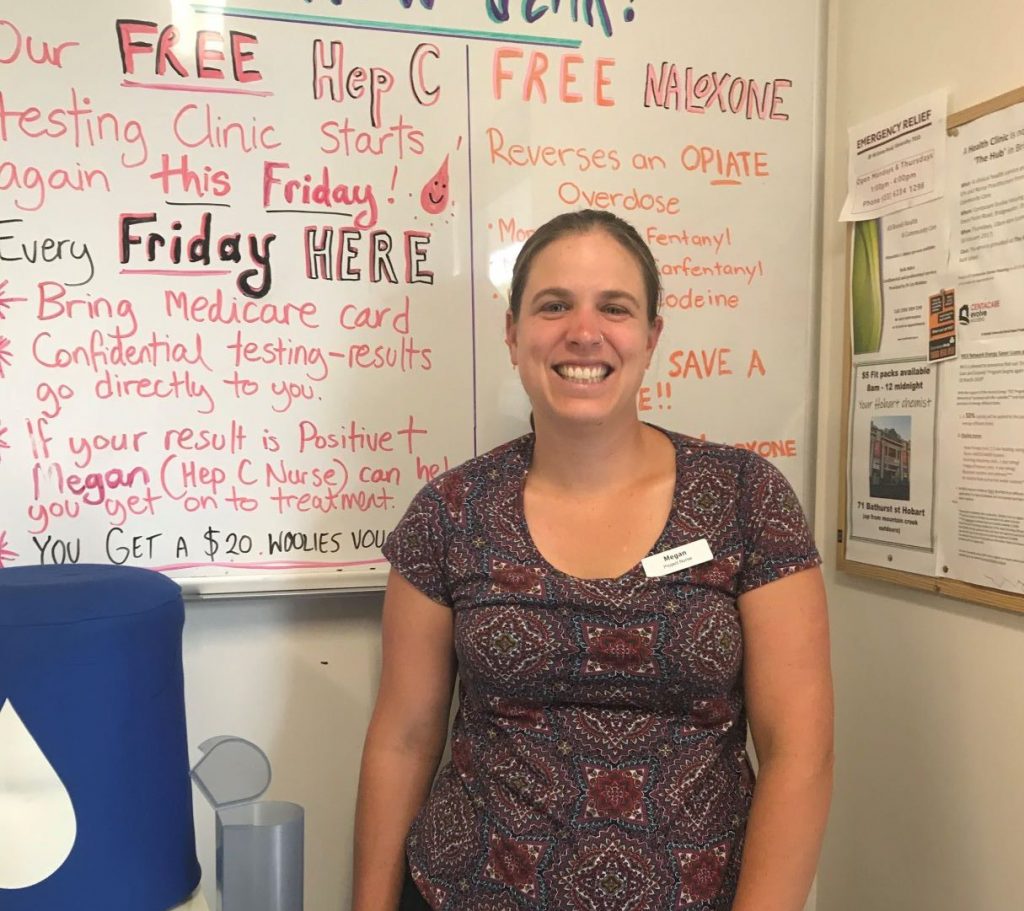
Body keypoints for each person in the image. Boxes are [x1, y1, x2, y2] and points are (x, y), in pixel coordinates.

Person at [352, 209, 832, 911]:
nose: (584, 331)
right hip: (466, 889)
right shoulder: (449, 512)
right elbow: (402, 738)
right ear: (514, 332)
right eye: (554, 306)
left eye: (615, 307)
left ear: (651, 335)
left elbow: (801, 752)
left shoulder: (745, 498)